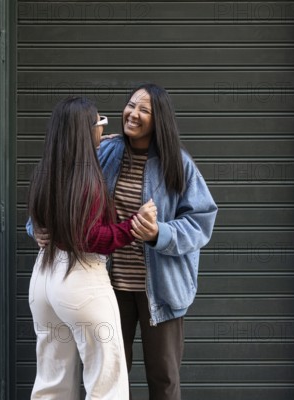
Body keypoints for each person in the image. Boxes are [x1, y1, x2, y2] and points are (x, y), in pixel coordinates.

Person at [25, 96, 157, 400]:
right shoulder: (87, 178)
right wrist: (134, 225)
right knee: (107, 384)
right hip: (82, 279)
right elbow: (90, 237)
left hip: (44, 280)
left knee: (51, 380)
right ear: (86, 131)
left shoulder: (47, 172)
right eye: (101, 122)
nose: (106, 129)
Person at [96, 83, 218, 399]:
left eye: (144, 110)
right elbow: (65, 193)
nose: (133, 114)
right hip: (109, 288)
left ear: (158, 119)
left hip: (162, 292)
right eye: (130, 105)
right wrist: (37, 225)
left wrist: (158, 234)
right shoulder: (106, 153)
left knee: (163, 380)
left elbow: (201, 223)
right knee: (109, 377)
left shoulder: (178, 164)